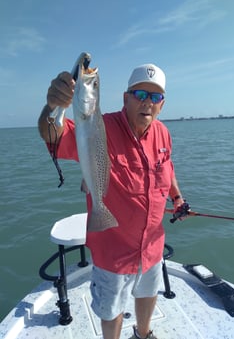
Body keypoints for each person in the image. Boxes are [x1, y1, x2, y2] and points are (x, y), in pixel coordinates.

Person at [38, 63, 187, 339]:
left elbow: (167, 168)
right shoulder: (99, 128)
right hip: (114, 250)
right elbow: (54, 135)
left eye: (155, 98)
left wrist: (177, 197)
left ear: (162, 105)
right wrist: (53, 109)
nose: (147, 103)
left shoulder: (163, 133)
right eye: (140, 94)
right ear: (125, 98)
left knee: (148, 294)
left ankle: (143, 334)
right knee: (111, 310)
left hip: (152, 244)